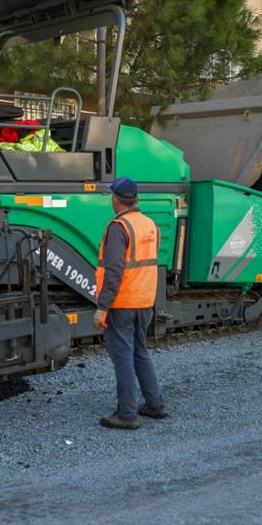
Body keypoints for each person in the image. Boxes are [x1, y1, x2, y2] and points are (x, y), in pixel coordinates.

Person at [93, 176, 167, 430]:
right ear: (135, 199)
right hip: (144, 301)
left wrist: (103, 306)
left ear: (116, 200)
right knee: (140, 351)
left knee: (123, 356)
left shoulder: (118, 227)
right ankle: (154, 404)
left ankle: (127, 414)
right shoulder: (150, 224)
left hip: (122, 302)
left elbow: (113, 271)